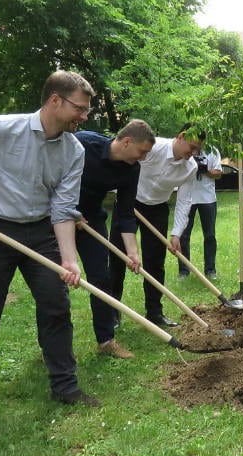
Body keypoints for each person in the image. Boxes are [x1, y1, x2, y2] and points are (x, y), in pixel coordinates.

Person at [0, 70, 100, 419]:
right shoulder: (1, 128)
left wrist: (69, 259)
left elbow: (63, 208)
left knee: (56, 306)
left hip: (39, 232)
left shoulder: (74, 150)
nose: (84, 117)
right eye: (80, 109)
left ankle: (65, 387)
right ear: (55, 100)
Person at [74, 120, 155, 359]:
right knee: (52, 284)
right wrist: (68, 211)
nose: (142, 158)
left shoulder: (131, 169)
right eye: (142, 152)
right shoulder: (83, 143)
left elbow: (127, 211)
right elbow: (50, 176)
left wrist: (132, 252)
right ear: (127, 141)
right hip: (57, 217)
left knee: (102, 278)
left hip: (91, 220)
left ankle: (106, 340)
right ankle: (51, 347)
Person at [110, 123, 204, 328]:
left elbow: (184, 200)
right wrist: (122, 196)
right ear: (180, 136)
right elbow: (127, 166)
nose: (194, 153)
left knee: (155, 262)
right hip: (130, 204)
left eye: (198, 149)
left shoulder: (191, 167)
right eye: (192, 147)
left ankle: (154, 312)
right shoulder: (153, 148)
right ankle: (113, 312)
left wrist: (177, 233)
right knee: (118, 256)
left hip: (157, 209)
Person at [173, 146, 222, 280]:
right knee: (183, 235)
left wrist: (205, 170)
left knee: (210, 235)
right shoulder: (186, 150)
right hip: (187, 198)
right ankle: (184, 271)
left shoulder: (212, 151)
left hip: (207, 198)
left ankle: (210, 270)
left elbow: (218, 173)